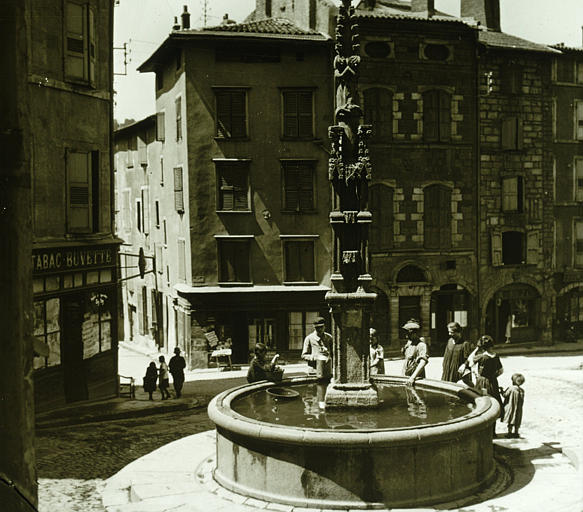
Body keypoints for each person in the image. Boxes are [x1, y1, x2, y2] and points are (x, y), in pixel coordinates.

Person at [472, 335, 504, 415]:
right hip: (493, 381)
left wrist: (476, 374)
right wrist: (494, 376)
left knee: (482, 399)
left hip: (482, 380)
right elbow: (501, 371)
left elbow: (471, 362)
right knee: (494, 398)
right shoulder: (496, 356)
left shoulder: (481, 357)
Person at [441, 321, 473, 385]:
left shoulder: (465, 344)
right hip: (447, 371)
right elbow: (445, 355)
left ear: (458, 332)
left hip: (457, 372)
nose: (449, 334)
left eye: (452, 332)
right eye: (449, 332)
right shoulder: (449, 341)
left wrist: (464, 365)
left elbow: (469, 358)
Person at [401, 319, 428, 386]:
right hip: (406, 375)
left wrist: (413, 377)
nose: (406, 336)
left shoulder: (421, 345)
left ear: (415, 333)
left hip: (415, 378)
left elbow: (423, 362)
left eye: (409, 334)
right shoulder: (409, 344)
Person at [502, 373, 525, 438]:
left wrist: (501, 391)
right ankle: (516, 433)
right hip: (519, 408)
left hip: (511, 407)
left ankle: (509, 433)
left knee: (511, 420)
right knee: (517, 420)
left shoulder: (511, 388)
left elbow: (505, 395)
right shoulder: (522, 390)